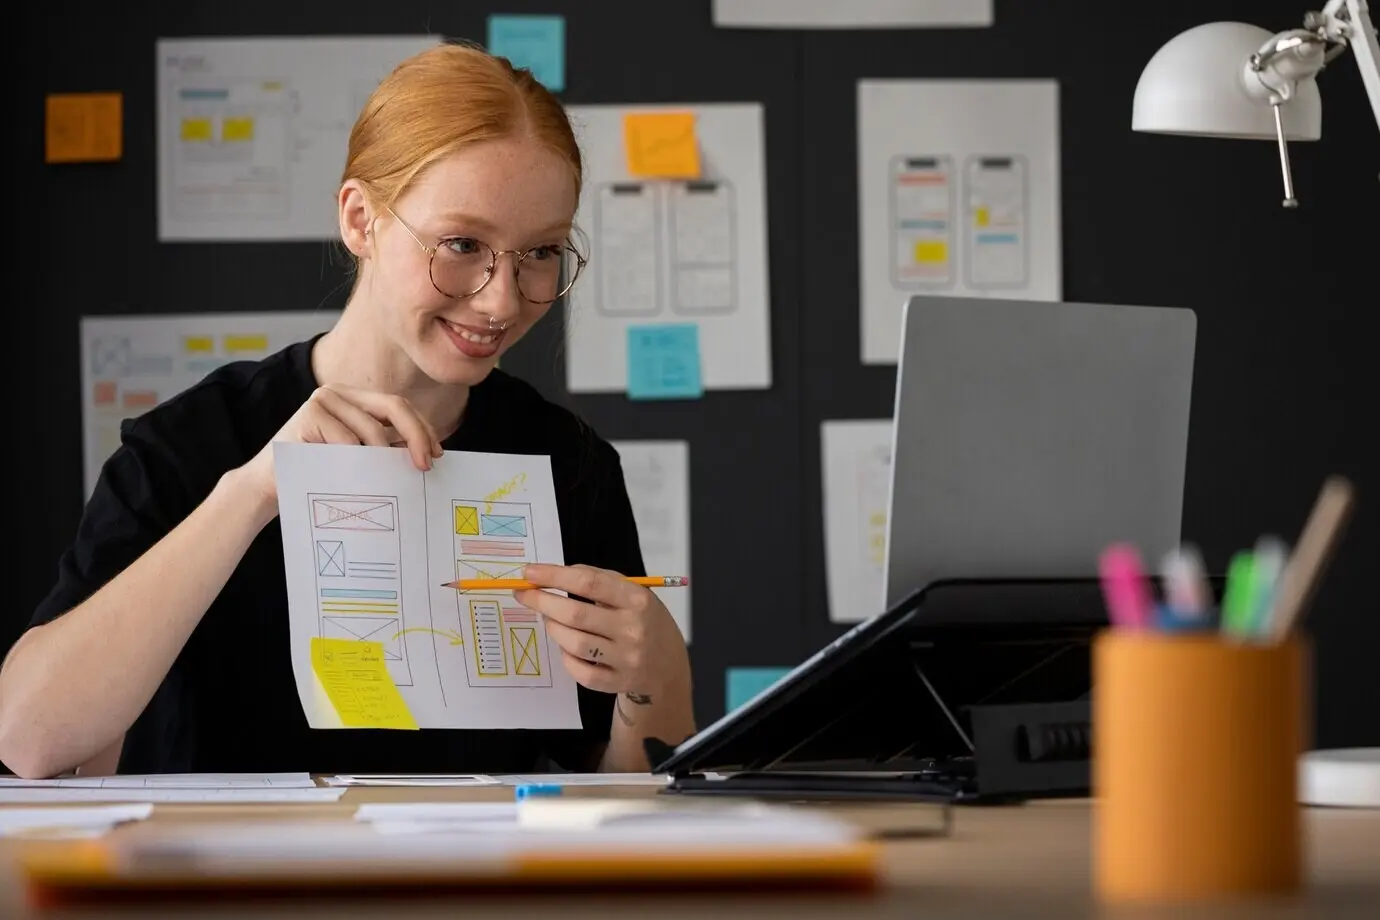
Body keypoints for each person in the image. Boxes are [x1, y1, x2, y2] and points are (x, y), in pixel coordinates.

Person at [0, 42, 696, 780]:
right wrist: (254, 491)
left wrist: (656, 675)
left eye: (540, 252)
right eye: (462, 244)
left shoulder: (569, 464)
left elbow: (617, 800)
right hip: (225, 890)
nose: (501, 298)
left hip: (471, 889)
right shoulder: (191, 446)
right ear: (361, 220)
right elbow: (28, 738)